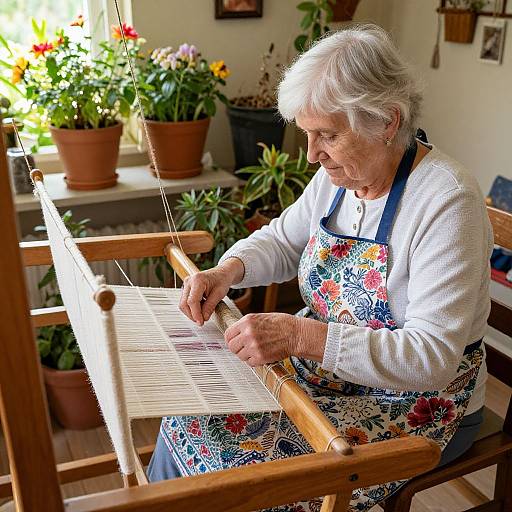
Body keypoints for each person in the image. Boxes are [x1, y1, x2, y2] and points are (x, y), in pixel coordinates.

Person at [148, 24, 492, 511]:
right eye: (307, 134)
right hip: (327, 379)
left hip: (419, 408)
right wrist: (229, 269)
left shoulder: (446, 202)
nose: (311, 154)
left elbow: (431, 358)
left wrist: (298, 336)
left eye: (327, 134)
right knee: (186, 421)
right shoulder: (340, 176)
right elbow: (285, 239)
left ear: (387, 121)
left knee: (256, 484)